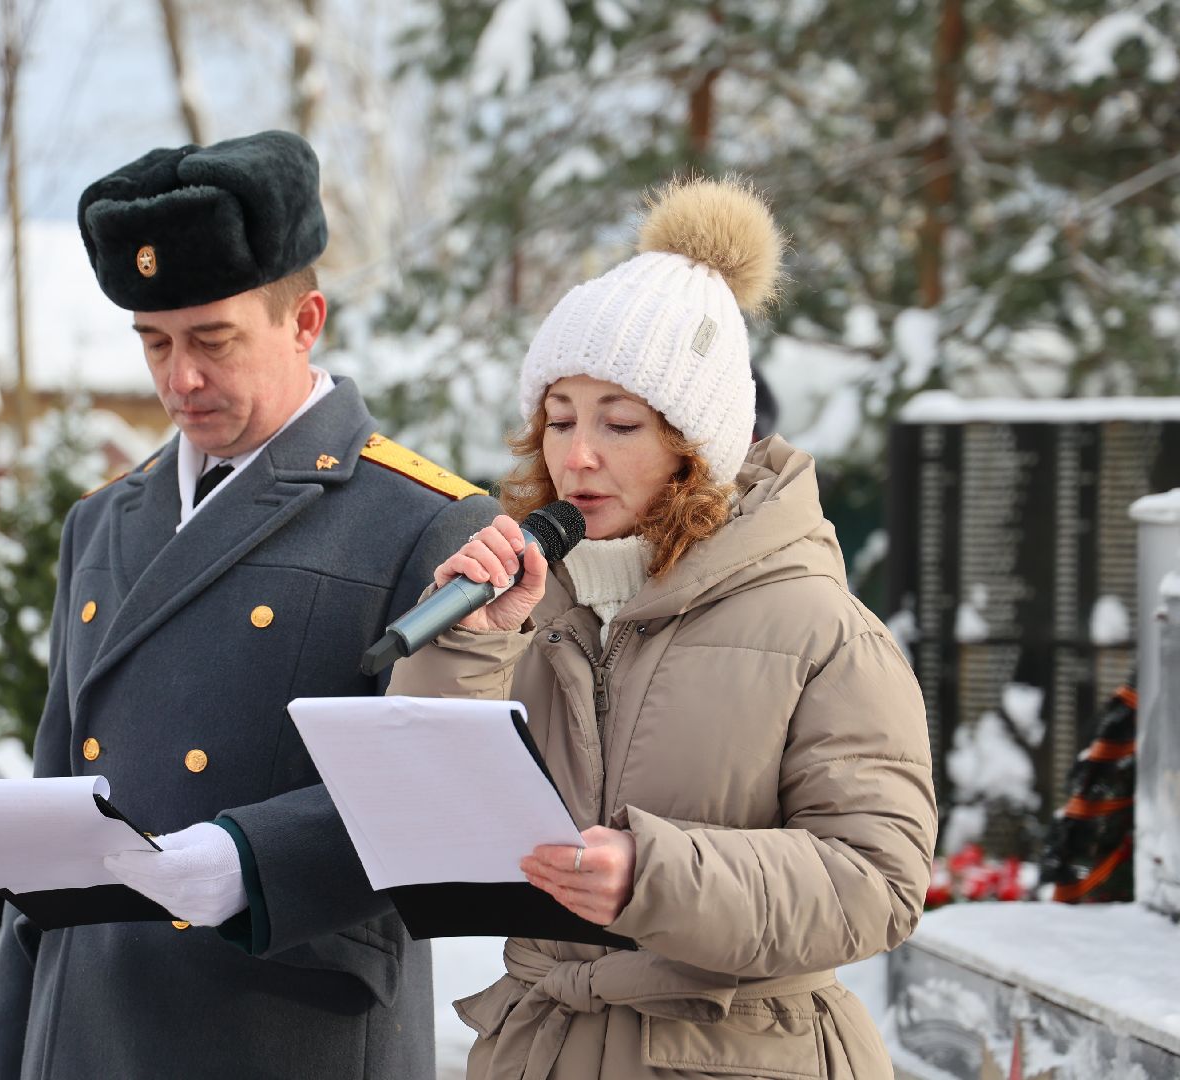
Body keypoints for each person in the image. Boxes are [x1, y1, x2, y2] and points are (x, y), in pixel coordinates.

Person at [0, 130, 499, 1080]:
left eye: (213, 340)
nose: (180, 380)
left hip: (282, 1030)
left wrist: (249, 861)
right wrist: (6, 1055)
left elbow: (441, 808)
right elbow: (48, 833)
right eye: (155, 344)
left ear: (305, 323)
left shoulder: (428, 523)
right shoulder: (101, 523)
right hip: (85, 1028)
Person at [389, 178, 936, 1078]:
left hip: (742, 1055)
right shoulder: (533, 604)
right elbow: (426, 813)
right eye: (559, 418)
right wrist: (473, 644)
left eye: (620, 422)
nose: (578, 454)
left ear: (697, 446)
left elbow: (878, 882)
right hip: (542, 1050)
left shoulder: (820, 627)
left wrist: (658, 876)